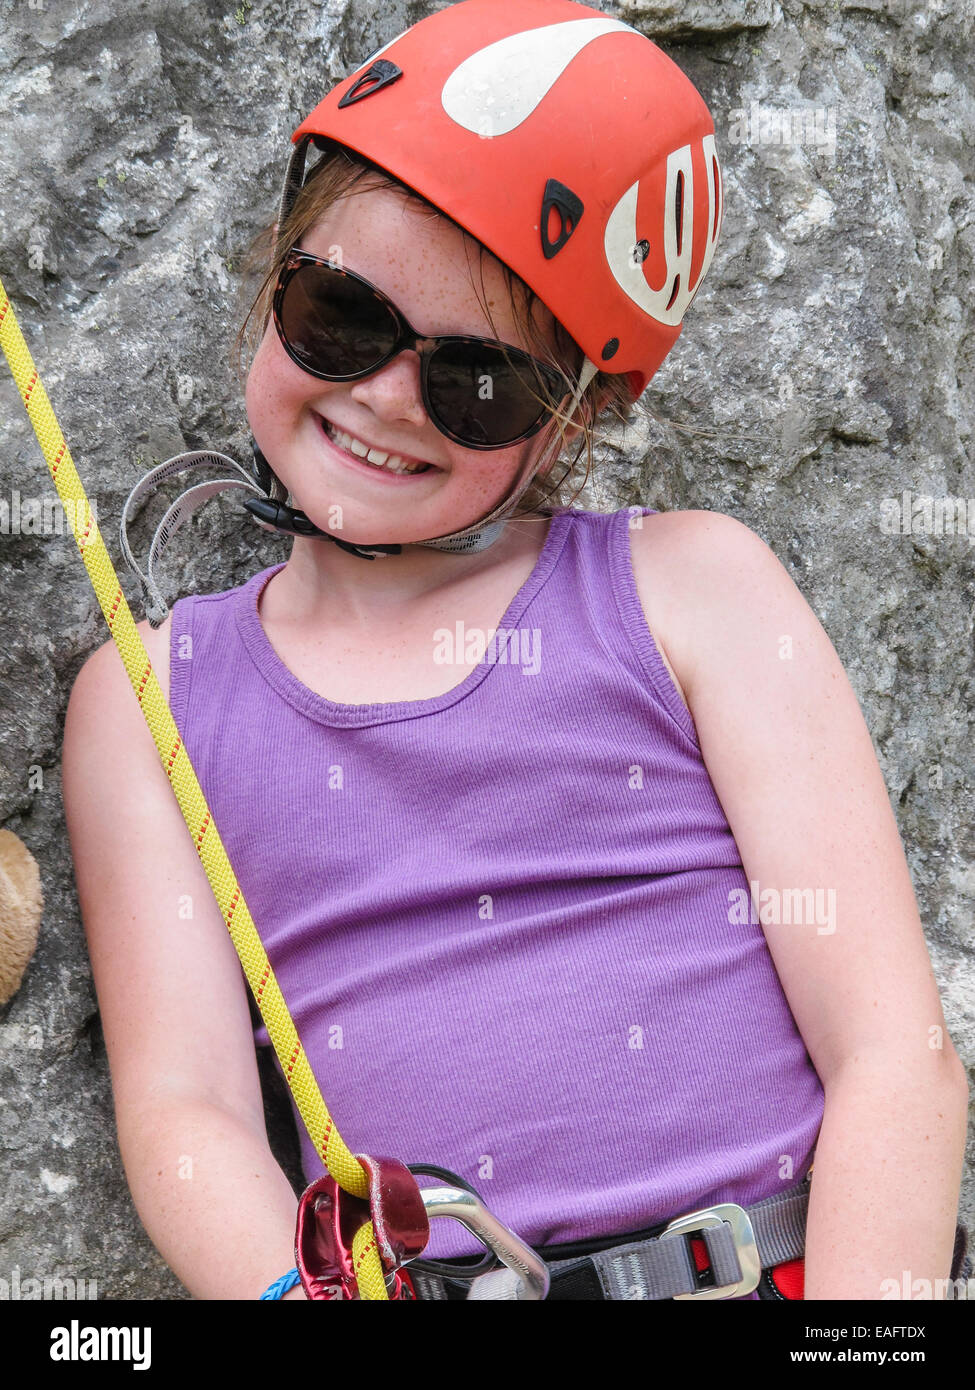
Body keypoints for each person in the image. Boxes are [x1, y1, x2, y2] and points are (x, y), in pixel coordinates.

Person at [61, 0, 969, 1301]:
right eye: (340, 316)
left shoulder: (694, 590)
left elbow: (894, 1052)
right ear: (272, 275)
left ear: (575, 415)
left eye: (476, 381)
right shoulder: (148, 701)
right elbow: (189, 1108)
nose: (381, 397)